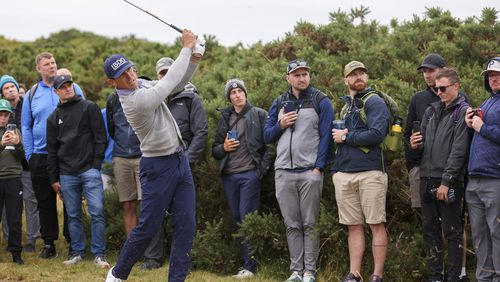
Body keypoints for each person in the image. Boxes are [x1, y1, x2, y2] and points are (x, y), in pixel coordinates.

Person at [104, 29, 204, 282]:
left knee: (186, 227)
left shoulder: (142, 84)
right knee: (148, 227)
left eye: (130, 70)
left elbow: (178, 84)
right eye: (122, 76)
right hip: (157, 167)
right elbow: (167, 84)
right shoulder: (134, 101)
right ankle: (116, 275)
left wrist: (192, 60)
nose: (130, 76)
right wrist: (186, 47)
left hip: (179, 162)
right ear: (112, 82)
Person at [264, 59, 333, 282]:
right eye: (297, 75)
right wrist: (280, 124)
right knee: (291, 224)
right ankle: (295, 271)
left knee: (310, 223)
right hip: (283, 171)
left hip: (309, 172)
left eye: (305, 74)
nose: (302, 78)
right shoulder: (279, 102)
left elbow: (326, 139)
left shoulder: (321, 100)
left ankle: (309, 272)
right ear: (288, 78)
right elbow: (267, 136)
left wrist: (318, 168)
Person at [141, 57, 209, 270]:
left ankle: (183, 260)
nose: (165, 76)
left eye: (169, 72)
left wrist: (185, 161)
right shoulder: (154, 99)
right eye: (161, 73)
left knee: (183, 216)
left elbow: (201, 133)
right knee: (154, 211)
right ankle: (153, 258)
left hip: (183, 164)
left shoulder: (191, 99)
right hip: (159, 164)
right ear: (157, 76)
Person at [21, 52, 84, 259]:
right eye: (46, 64)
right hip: (40, 155)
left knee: (70, 198)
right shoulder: (31, 94)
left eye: (54, 63)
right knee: (45, 201)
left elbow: (83, 116)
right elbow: (26, 126)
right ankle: (49, 243)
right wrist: (30, 154)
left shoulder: (71, 88)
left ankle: (73, 240)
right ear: (38, 69)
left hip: (67, 154)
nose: (51, 66)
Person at [331, 61, 389, 282]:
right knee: (353, 226)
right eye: (353, 74)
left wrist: (347, 137)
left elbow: (377, 134)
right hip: (344, 174)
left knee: (376, 224)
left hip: (371, 172)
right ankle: (354, 274)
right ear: (345, 79)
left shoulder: (374, 102)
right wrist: (335, 171)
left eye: (362, 73)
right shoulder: (346, 107)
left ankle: (377, 276)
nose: (359, 77)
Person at [410, 68, 470, 282]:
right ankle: (435, 277)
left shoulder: (463, 111)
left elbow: (459, 151)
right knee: (430, 231)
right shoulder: (431, 111)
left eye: (443, 88)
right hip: (426, 177)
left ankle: (454, 277)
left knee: (452, 232)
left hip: (448, 180)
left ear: (456, 86)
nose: (439, 92)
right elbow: (424, 145)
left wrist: (447, 182)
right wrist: (415, 145)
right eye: (436, 89)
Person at [46, 75, 109, 267]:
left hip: (89, 170)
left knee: (97, 211)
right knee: (72, 215)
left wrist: (95, 165)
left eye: (69, 85)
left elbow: (100, 138)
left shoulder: (89, 107)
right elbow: (52, 150)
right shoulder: (53, 118)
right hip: (66, 173)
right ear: (56, 91)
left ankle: (99, 254)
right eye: (62, 87)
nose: (67, 89)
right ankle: (77, 253)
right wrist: (53, 178)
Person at [212, 79, 274, 278]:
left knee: (247, 217)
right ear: (229, 98)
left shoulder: (259, 114)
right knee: (238, 219)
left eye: (240, 91)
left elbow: (270, 146)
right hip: (229, 176)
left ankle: (250, 267)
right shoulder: (226, 117)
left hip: (250, 175)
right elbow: (215, 149)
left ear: (246, 94)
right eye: (233, 92)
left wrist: (260, 171)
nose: (237, 95)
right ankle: (247, 263)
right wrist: (224, 148)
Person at [465, 57, 500, 282]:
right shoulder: (488, 102)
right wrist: (472, 124)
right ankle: (484, 278)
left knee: (497, 233)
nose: (493, 79)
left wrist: (482, 127)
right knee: (480, 234)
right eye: (490, 76)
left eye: (497, 75)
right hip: (475, 178)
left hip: (495, 179)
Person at [0, 75, 40, 253]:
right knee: (8, 209)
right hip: (8, 166)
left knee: (31, 203)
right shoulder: (3, 110)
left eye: (12, 86)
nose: (10, 90)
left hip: (27, 161)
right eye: (6, 87)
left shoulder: (28, 104)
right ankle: (10, 240)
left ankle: (32, 239)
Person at [405, 53, 446, 209]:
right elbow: (407, 134)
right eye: (424, 71)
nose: (427, 75)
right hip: (421, 169)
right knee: (428, 221)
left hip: (449, 170)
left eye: (431, 70)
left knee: (453, 221)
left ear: (443, 70)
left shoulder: (458, 97)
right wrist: (413, 165)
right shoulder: (418, 99)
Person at [105, 74, 142, 237]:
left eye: (130, 73)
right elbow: (112, 129)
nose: (128, 77)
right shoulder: (112, 99)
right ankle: (133, 250)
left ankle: (152, 253)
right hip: (121, 157)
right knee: (128, 204)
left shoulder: (144, 94)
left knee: (148, 204)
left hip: (143, 155)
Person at [0, 99, 25, 265]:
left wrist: (17, 144)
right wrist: (1, 144)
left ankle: (16, 254)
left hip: (14, 179)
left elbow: (22, 157)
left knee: (14, 218)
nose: (3, 118)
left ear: (10, 115)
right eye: (0, 114)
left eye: (6, 114)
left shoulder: (15, 131)